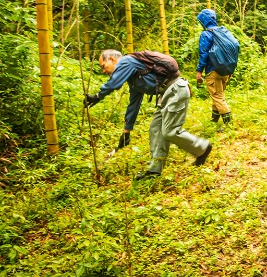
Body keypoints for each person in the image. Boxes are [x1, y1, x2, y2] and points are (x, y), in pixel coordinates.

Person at [85, 49, 212, 180]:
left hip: (175, 90)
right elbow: (134, 103)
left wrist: (98, 96)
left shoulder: (126, 62)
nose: (103, 71)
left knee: (170, 131)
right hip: (166, 94)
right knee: (155, 129)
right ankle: (154, 171)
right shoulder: (133, 76)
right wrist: (126, 131)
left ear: (112, 59)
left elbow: (114, 83)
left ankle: (202, 148)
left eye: (103, 66)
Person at [196, 9, 233, 126]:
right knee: (216, 95)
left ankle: (229, 125)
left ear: (204, 21)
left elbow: (204, 54)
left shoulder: (206, 34)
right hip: (225, 71)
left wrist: (199, 71)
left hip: (213, 71)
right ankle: (214, 121)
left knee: (218, 96)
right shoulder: (223, 32)